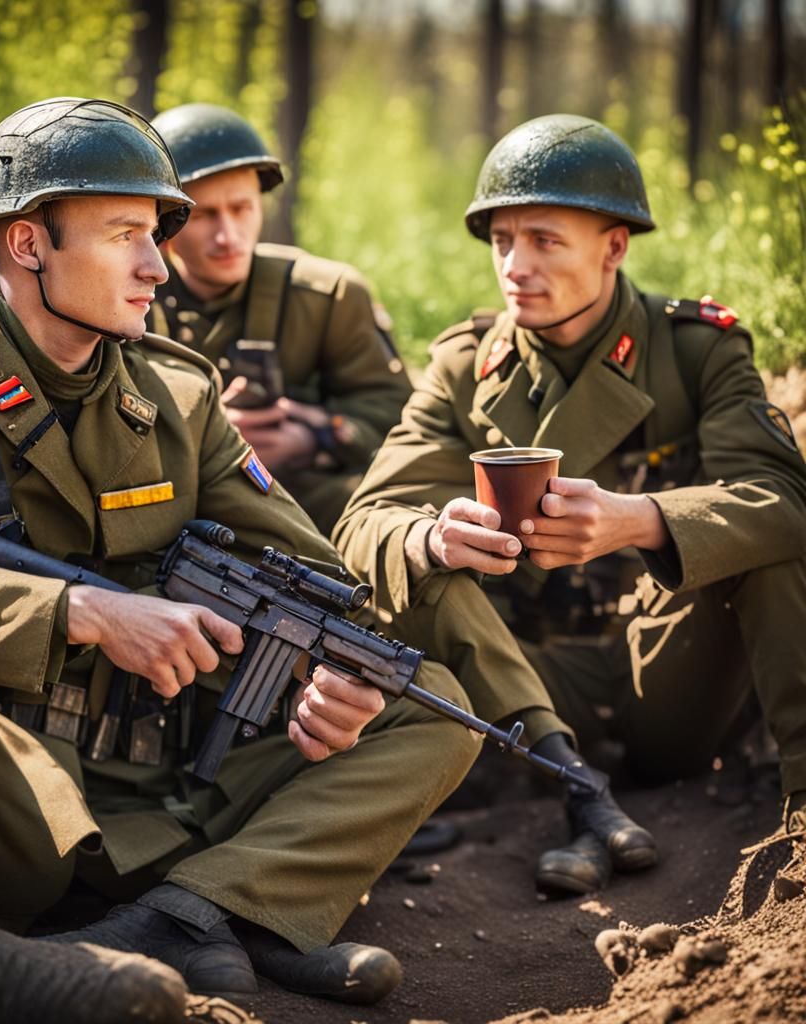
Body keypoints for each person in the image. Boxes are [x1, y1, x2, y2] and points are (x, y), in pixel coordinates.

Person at [0, 98, 481, 1024]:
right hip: (1, 795)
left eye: (155, 235)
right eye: (125, 235)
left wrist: (334, 674)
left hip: (171, 792)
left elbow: (312, 574)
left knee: (430, 707)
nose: (159, 265)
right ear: (28, 244)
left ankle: (183, 914)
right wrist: (83, 613)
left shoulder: (178, 392)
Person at [335, 113, 806, 893]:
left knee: (769, 544)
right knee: (409, 559)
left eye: (545, 240)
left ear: (614, 246)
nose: (516, 265)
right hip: (527, 685)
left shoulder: (694, 349)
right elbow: (360, 523)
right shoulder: (465, 367)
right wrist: (432, 537)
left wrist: (639, 518)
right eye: (502, 242)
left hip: (669, 671)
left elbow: (786, 498)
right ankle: (568, 790)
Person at [147, 103, 413, 535]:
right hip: (169, 505)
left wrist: (318, 438)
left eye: (242, 208)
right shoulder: (127, 302)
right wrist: (208, 436)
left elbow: (399, 420)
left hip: (302, 505)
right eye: (204, 215)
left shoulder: (328, 296)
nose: (228, 236)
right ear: (163, 220)